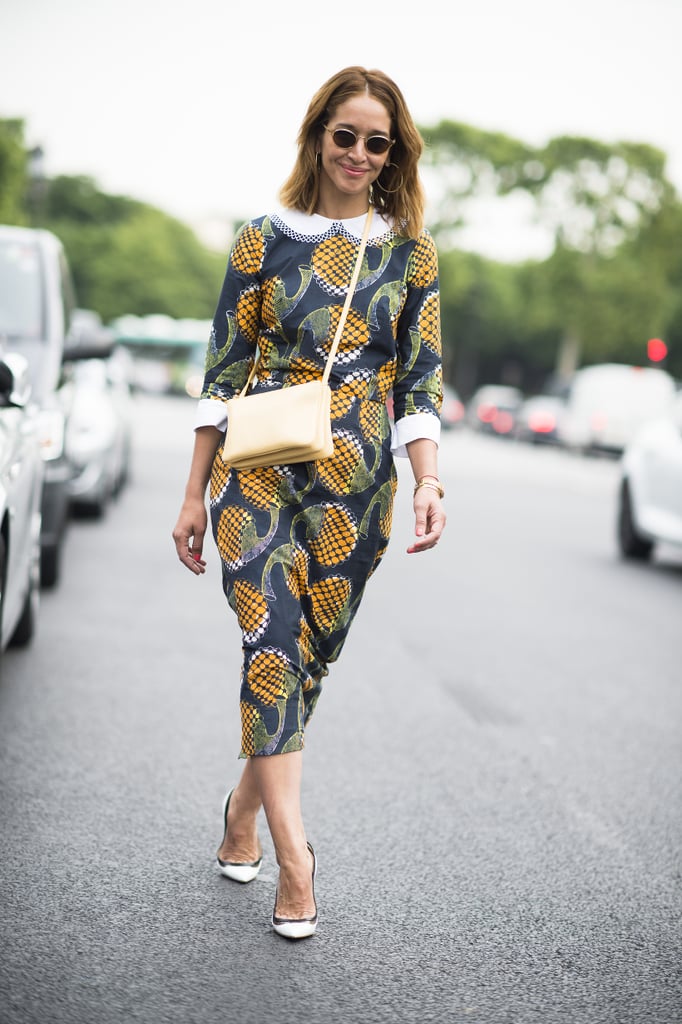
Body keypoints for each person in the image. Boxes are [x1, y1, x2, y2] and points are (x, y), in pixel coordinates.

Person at [172, 66, 446, 940]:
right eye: (346, 136)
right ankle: (298, 859)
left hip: (357, 486)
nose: (360, 154)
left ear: (393, 152)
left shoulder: (411, 254)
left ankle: (243, 812)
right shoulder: (262, 237)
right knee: (271, 641)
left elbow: (422, 385)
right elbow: (222, 372)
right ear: (317, 136)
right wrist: (190, 496)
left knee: (307, 660)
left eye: (379, 141)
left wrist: (430, 479)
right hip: (257, 470)